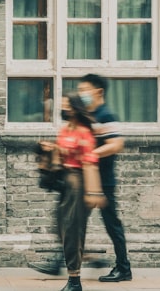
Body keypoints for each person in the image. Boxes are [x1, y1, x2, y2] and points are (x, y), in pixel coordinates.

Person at [78, 74, 132, 283]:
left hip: (103, 181)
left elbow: (116, 144)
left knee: (112, 225)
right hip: (89, 179)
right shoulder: (88, 115)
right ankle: (62, 261)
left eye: (85, 90)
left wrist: (91, 154)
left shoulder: (105, 115)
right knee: (75, 222)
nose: (81, 94)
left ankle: (123, 269)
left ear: (98, 92)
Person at [54, 93, 107, 291]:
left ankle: (74, 280)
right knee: (62, 227)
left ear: (75, 109)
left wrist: (94, 193)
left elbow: (90, 163)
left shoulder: (84, 132)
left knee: (73, 230)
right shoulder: (65, 129)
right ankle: (75, 273)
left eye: (66, 106)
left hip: (78, 182)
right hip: (64, 182)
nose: (63, 109)